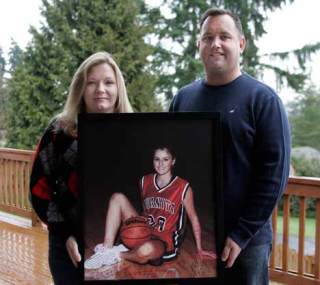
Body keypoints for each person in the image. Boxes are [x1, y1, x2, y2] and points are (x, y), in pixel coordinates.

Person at [169, 8, 291, 285]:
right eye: (207, 37)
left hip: (246, 243)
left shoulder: (263, 100)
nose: (216, 44)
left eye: (224, 36)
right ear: (198, 45)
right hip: (193, 240)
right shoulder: (182, 100)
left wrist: (242, 234)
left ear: (241, 43)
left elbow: (274, 177)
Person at [30, 51, 133, 285]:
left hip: (115, 248)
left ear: (118, 89)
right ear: (80, 89)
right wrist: (64, 233)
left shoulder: (132, 132)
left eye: (108, 82)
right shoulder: (60, 131)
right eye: (91, 83)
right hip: (68, 247)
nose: (101, 90)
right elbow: (39, 189)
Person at [84, 146, 216, 269]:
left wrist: (200, 249)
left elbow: (193, 218)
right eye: (157, 159)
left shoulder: (183, 187)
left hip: (163, 240)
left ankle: (117, 255)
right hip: (144, 229)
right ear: (153, 161)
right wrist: (136, 230)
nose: (161, 164)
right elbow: (146, 210)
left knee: (145, 251)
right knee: (117, 197)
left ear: (173, 161)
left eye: (165, 159)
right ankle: (107, 249)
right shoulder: (144, 181)